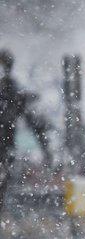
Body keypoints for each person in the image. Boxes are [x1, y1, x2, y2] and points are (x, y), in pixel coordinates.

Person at [0, 49, 52, 219]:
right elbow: (35, 122)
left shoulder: (13, 92)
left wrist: (47, 151)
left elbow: (35, 121)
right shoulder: (13, 92)